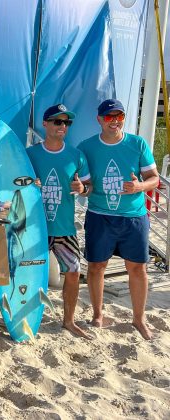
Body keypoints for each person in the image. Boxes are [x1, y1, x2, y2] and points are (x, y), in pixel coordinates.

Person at [77, 99, 159, 340]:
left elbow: (154, 178)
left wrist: (139, 186)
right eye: (109, 117)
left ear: (123, 118)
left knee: (137, 268)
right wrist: (82, 189)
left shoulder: (137, 144)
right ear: (100, 119)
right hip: (100, 215)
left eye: (119, 116)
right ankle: (97, 315)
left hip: (133, 217)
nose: (115, 121)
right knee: (96, 266)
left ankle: (139, 319)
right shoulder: (87, 147)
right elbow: (88, 186)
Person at [27, 104, 93, 339]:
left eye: (66, 122)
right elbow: (16, 185)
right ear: (45, 124)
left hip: (65, 228)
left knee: (73, 272)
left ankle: (69, 321)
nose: (62, 126)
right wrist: (28, 185)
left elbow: (89, 188)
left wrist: (82, 188)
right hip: (36, 229)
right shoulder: (31, 154)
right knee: (29, 274)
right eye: (57, 121)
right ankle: (26, 318)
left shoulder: (76, 155)